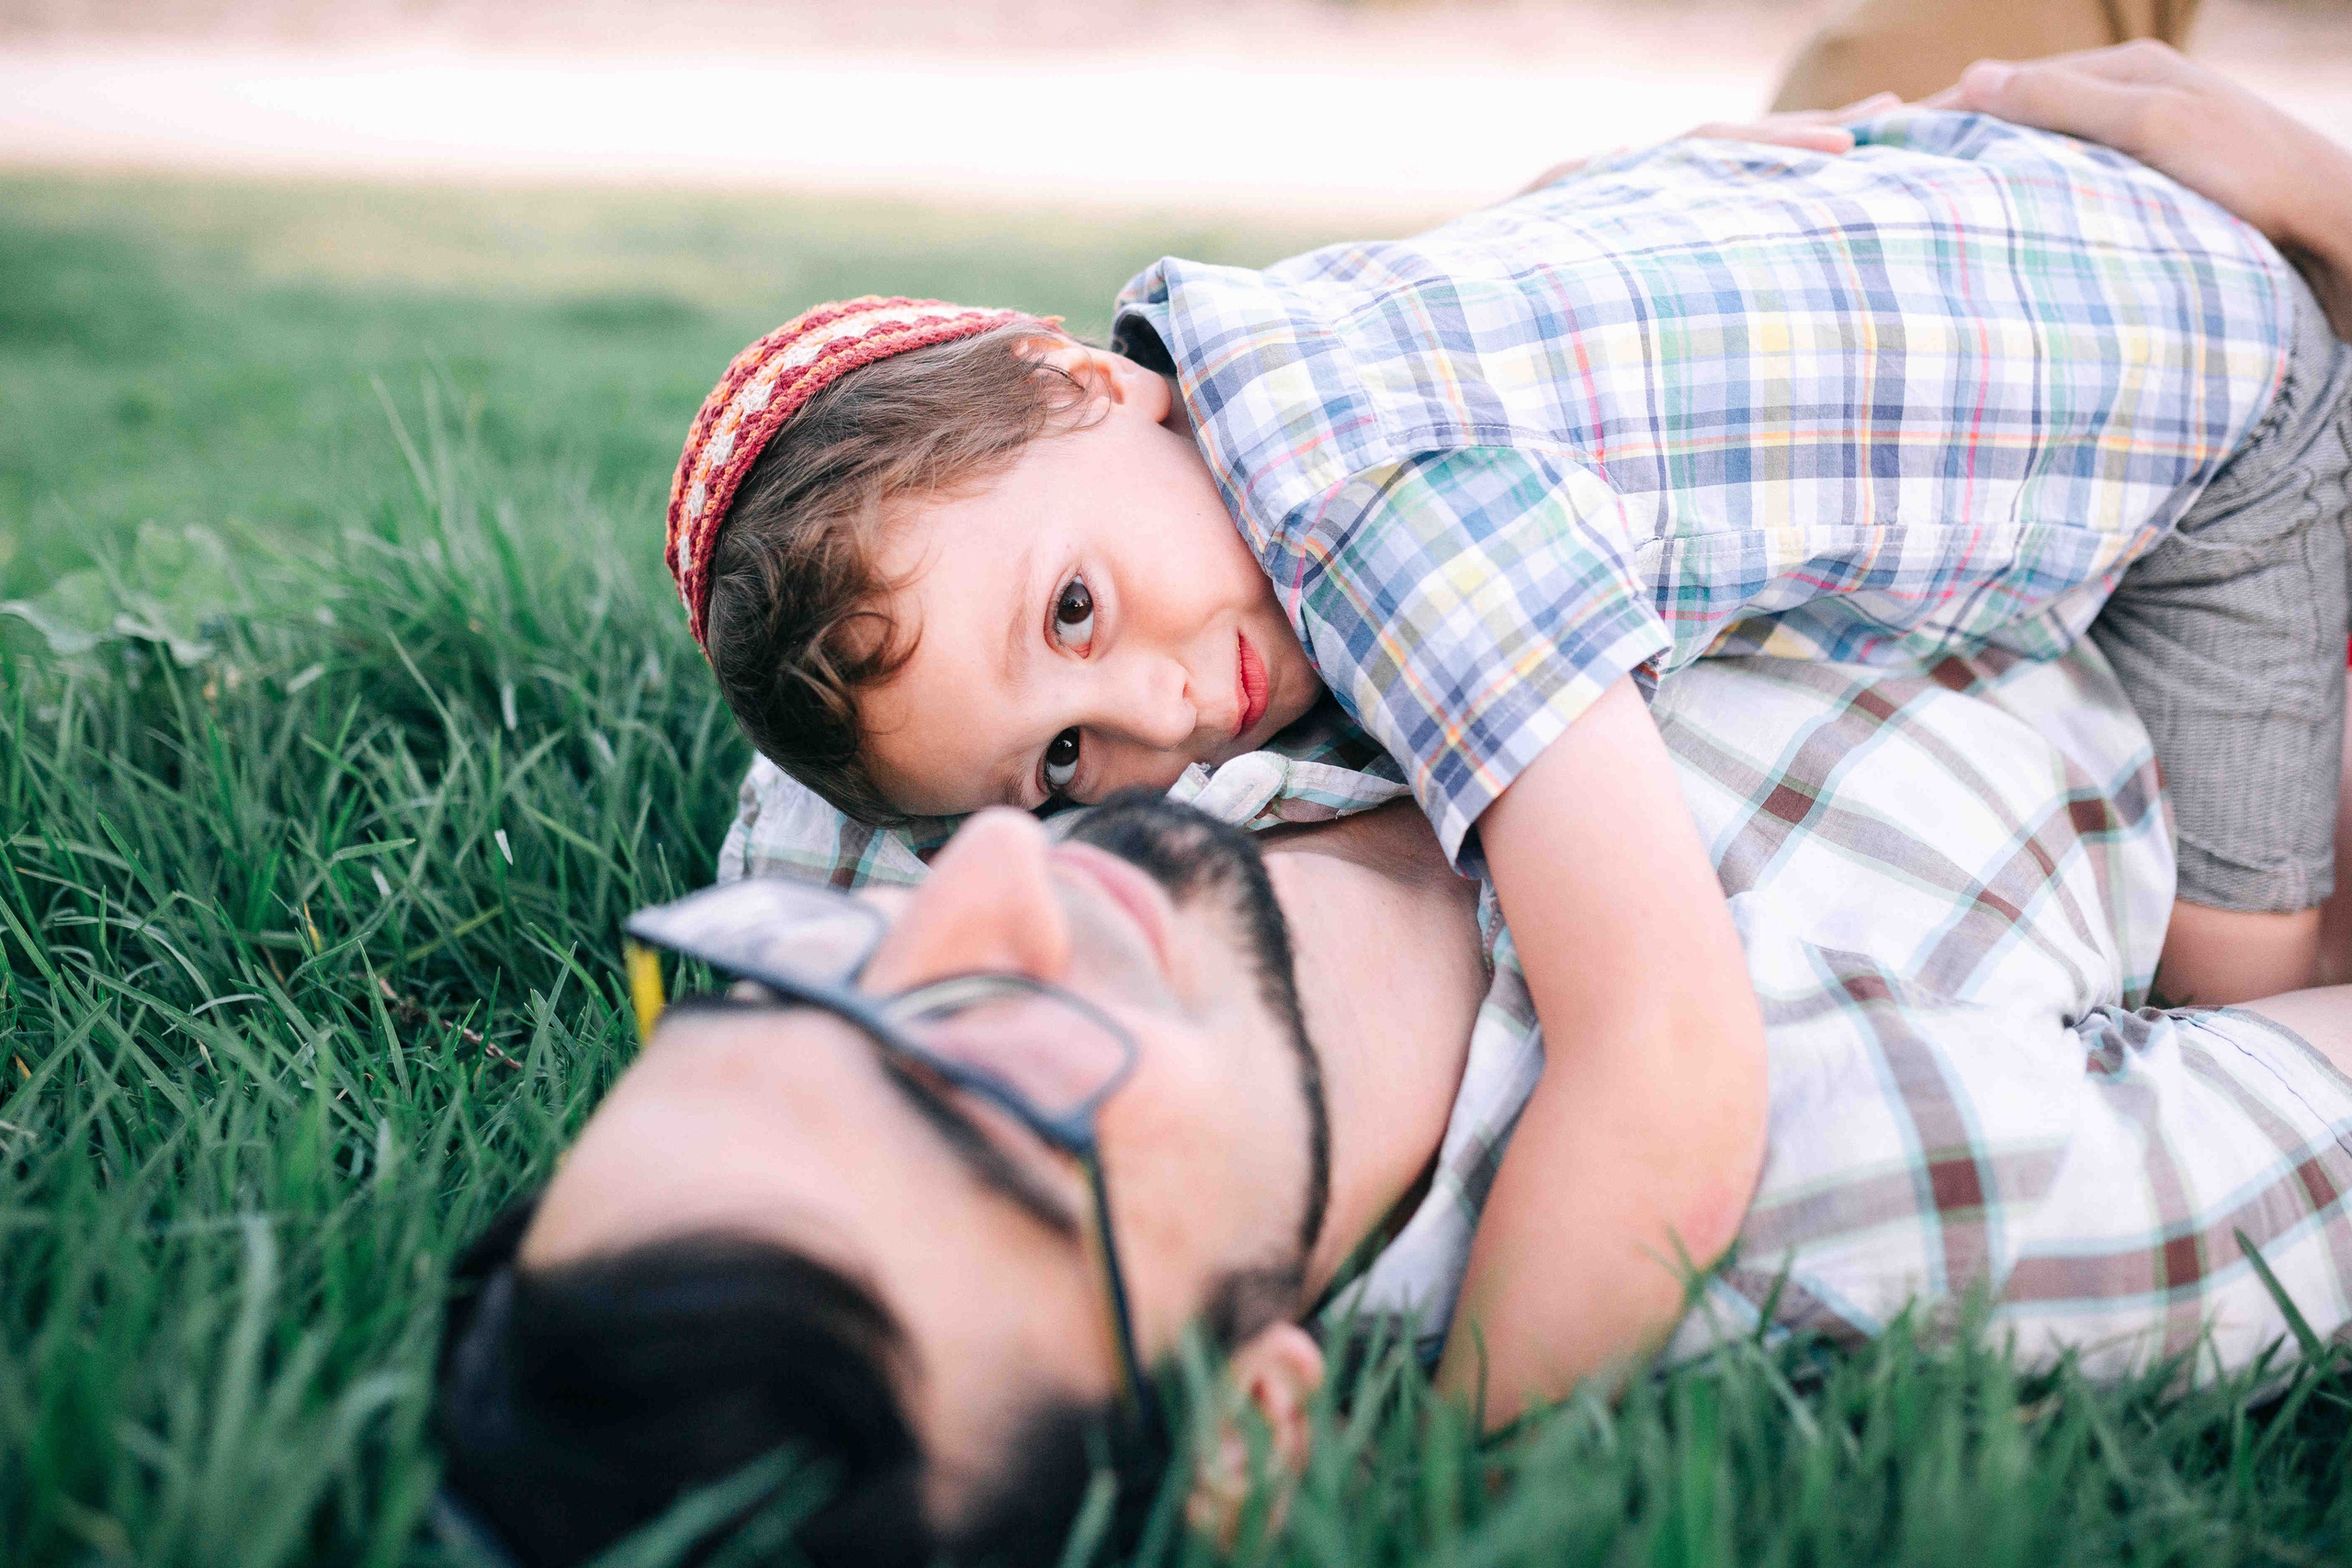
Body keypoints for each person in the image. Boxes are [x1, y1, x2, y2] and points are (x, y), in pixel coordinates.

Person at [435, 636, 2352, 1568]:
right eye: (1001, 1082)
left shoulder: (911, 756)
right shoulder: (1883, 1198)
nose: (982, 887)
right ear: (1244, 1428)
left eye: (784, 984)